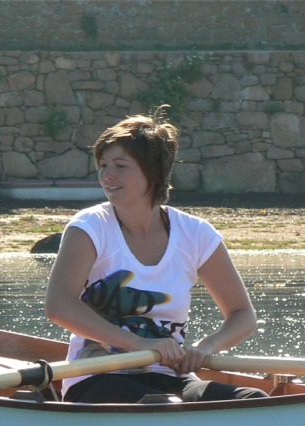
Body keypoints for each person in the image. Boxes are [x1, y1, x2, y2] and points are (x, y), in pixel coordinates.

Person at [45, 107, 268, 404]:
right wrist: (137, 343)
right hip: (96, 377)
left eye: (120, 165)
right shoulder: (89, 227)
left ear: (153, 172)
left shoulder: (196, 233)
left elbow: (243, 315)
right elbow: (59, 306)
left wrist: (205, 348)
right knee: (162, 406)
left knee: (254, 398)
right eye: (103, 165)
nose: (107, 175)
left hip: (170, 375)